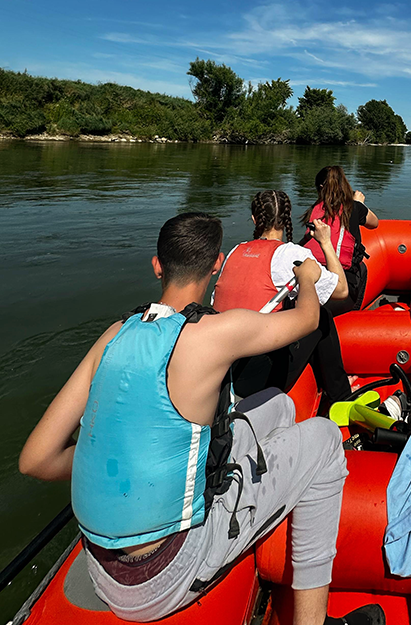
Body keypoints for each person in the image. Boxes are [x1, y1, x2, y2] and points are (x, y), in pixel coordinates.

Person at [18, 212, 384, 625]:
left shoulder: (114, 334)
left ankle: (266, 484)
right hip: (165, 574)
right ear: (216, 264)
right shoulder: (216, 332)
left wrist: (123, 454)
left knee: (277, 404)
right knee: (324, 437)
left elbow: (35, 460)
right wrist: (307, 277)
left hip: (103, 566)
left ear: (157, 265)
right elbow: (308, 319)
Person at [214, 189, 353, 404]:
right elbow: (342, 290)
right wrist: (325, 242)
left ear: (254, 219)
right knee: (321, 317)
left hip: (223, 366)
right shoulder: (290, 255)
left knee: (290, 305)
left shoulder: (235, 251)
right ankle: (342, 396)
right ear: (287, 219)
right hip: (257, 378)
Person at [301, 165, 379, 316]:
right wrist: (360, 204)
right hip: (342, 288)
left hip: (312, 279)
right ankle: (352, 315)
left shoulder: (313, 210)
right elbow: (374, 223)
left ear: (320, 188)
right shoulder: (354, 207)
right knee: (362, 268)